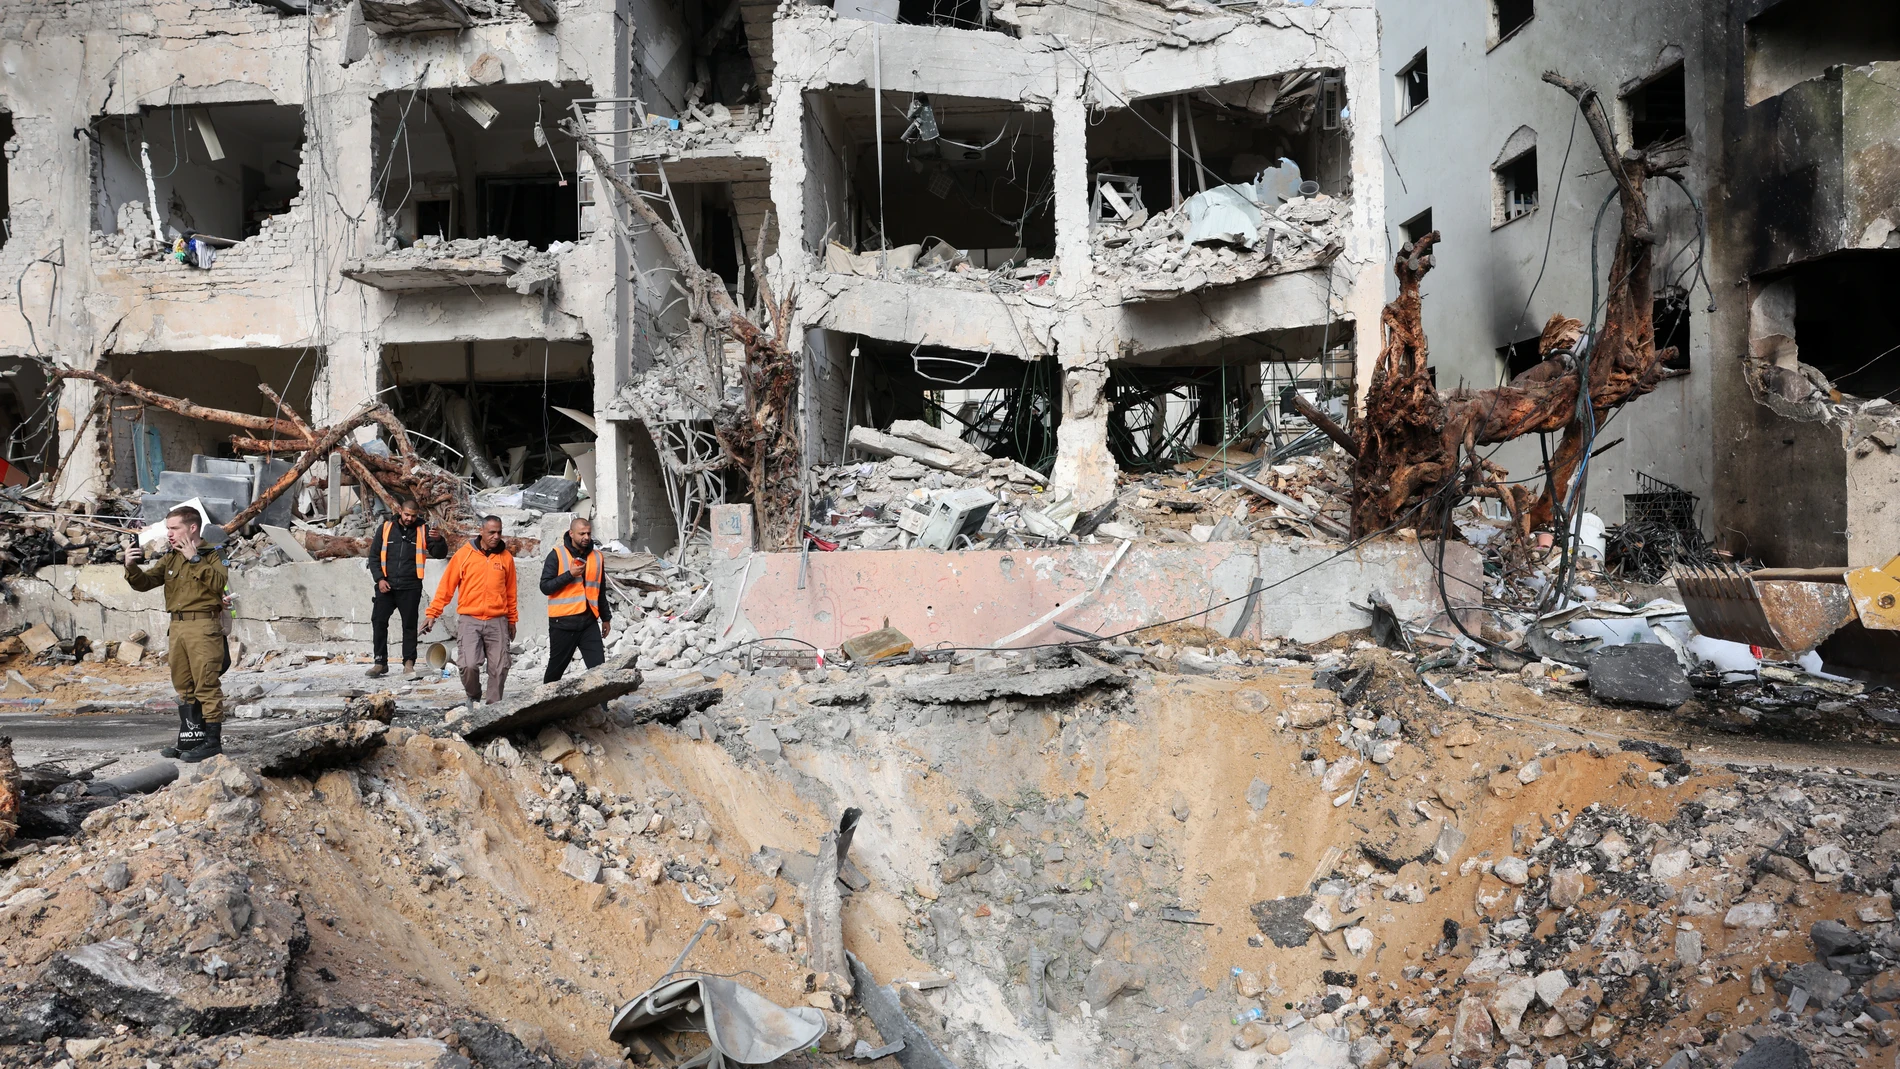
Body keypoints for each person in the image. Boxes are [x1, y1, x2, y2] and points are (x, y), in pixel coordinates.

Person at [124, 505, 232, 762]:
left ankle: (212, 743)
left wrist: (195, 558)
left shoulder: (214, 553)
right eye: (168, 529)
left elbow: (219, 584)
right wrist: (130, 566)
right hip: (178, 626)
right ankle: (190, 739)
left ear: (192, 528)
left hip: (203, 626)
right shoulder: (170, 557)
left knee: (206, 683)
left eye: (175, 528)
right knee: (184, 685)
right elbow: (145, 583)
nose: (169, 534)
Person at [424, 515, 517, 709]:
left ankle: (493, 707)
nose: (496, 536)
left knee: (500, 667)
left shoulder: (506, 558)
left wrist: (512, 619)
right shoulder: (464, 554)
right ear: (481, 531)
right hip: (469, 619)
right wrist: (433, 613)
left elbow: (510, 591)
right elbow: (446, 587)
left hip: (497, 619)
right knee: (468, 665)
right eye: (491, 532)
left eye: (499, 532)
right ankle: (473, 695)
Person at [366, 497, 448, 680]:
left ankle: (408, 663)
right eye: (406, 514)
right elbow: (373, 557)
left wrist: (439, 540)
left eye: (413, 515)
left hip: (410, 586)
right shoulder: (386, 528)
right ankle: (380, 662)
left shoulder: (423, 530)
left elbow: (439, 553)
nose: (409, 518)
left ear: (417, 515)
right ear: (400, 512)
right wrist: (379, 579)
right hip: (386, 586)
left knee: (409, 626)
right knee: (379, 622)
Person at [539, 517, 613, 682]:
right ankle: (547, 706)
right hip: (562, 624)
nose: (586, 537)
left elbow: (599, 590)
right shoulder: (557, 555)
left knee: (599, 671)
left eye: (588, 533)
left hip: (588, 623)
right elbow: (545, 587)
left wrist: (606, 618)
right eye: (582, 534)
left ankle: (603, 708)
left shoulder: (597, 557)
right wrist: (569, 575)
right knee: (555, 672)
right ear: (571, 533)